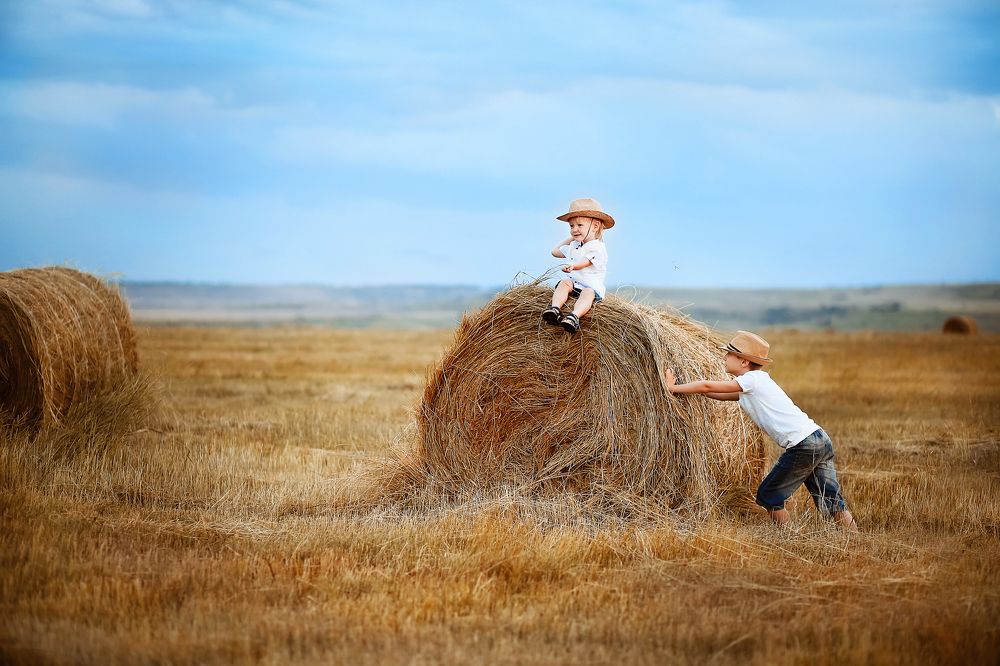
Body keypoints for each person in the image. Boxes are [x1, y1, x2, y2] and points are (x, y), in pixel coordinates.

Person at [663, 330, 858, 530]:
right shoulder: (757, 383)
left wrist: (672, 388)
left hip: (803, 445)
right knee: (831, 498)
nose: (724, 357)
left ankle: (790, 538)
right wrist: (694, 393)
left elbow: (705, 385)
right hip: (818, 438)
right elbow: (716, 393)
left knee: (768, 495)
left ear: (743, 362)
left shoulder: (752, 380)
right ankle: (855, 539)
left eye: (729, 354)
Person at [541, 197, 614, 333]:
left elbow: (584, 262)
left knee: (588, 293)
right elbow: (554, 251)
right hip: (575, 285)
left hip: (591, 287)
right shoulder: (574, 245)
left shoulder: (597, 247)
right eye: (571, 226)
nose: (574, 229)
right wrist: (572, 238)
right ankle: (554, 309)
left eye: (579, 225)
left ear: (596, 226)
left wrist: (573, 266)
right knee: (564, 282)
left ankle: (574, 316)